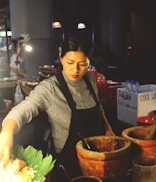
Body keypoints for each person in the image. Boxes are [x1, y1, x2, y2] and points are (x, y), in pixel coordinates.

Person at [0, 34, 116, 181]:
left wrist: (107, 128)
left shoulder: (90, 79)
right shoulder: (50, 88)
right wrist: (6, 132)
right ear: (61, 58)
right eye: (70, 62)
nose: (75, 70)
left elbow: (98, 105)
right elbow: (22, 110)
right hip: (68, 164)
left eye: (82, 64)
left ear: (89, 61)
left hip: (97, 158)